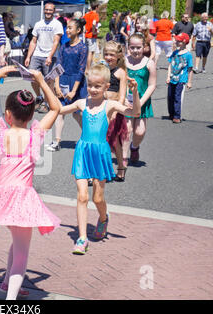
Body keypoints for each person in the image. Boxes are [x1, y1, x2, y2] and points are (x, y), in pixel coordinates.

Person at [0, 66, 61, 300]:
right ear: (32, 115)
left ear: (7, 114)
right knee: (22, 252)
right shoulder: (35, 133)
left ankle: (6, 283)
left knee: (17, 241)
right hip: (22, 197)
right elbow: (56, 108)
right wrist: (42, 81)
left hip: (1, 196)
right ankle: (10, 300)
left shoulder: (1, 131)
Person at [59, 64, 141, 254]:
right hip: (83, 152)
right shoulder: (81, 103)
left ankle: (103, 218)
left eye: (97, 86)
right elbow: (59, 109)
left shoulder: (110, 105)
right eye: (90, 85)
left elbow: (134, 112)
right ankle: (81, 238)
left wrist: (134, 93)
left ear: (106, 87)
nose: (93, 89)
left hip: (100, 153)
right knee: (82, 196)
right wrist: (44, 84)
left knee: (97, 198)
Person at [47, 18, 88, 152]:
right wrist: (57, 86)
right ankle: (57, 141)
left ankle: (88, 137)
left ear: (78, 30)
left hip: (77, 83)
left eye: (70, 28)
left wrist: (74, 91)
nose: (67, 30)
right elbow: (58, 66)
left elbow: (81, 70)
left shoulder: (83, 47)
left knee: (78, 114)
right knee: (60, 112)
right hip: (63, 80)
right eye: (67, 28)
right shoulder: (64, 46)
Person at [123, 33, 157, 165]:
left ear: (144, 47)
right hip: (126, 101)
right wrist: (123, 99)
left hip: (142, 101)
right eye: (132, 47)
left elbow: (152, 85)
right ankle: (124, 159)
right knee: (127, 130)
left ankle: (135, 147)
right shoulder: (124, 62)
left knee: (140, 131)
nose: (135, 51)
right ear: (128, 47)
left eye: (138, 47)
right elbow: (120, 81)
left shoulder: (149, 63)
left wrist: (141, 102)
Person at [24, 2, 63, 113]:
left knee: (48, 81)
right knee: (32, 77)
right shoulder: (38, 24)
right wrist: (28, 57)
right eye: (46, 10)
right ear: (44, 10)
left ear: (54, 11)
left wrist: (50, 56)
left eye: (50, 10)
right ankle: (39, 97)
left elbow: (56, 42)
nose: (48, 12)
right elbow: (33, 41)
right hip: (37, 55)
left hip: (50, 55)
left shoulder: (57, 24)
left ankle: (47, 102)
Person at [103, 41, 128, 182]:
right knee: (103, 141)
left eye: (111, 55)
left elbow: (122, 95)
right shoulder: (104, 70)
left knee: (115, 141)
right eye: (106, 54)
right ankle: (106, 169)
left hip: (114, 111)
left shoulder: (120, 72)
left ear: (118, 56)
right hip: (102, 108)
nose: (108, 57)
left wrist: (115, 111)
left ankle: (120, 167)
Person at [166, 33, 193, 124]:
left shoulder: (188, 55)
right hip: (172, 78)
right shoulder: (175, 53)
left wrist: (189, 82)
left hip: (181, 79)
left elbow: (190, 69)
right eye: (176, 40)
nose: (176, 42)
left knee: (177, 97)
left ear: (184, 42)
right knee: (170, 97)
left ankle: (177, 116)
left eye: (179, 41)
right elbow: (170, 65)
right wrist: (168, 76)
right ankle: (171, 113)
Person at [83, 2, 100, 72]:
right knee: (91, 52)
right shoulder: (95, 14)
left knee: (87, 52)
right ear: (96, 7)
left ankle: (87, 67)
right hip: (91, 36)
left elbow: (83, 22)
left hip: (86, 35)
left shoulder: (86, 14)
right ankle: (88, 69)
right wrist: (93, 31)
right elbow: (94, 23)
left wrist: (84, 30)